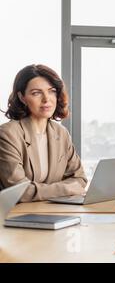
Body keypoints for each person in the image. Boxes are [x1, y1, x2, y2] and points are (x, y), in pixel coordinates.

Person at [0, 65, 87, 202]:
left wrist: (44, 191)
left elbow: (79, 178)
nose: (47, 99)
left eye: (51, 91)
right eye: (36, 93)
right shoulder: (8, 134)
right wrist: (65, 189)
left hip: (52, 211)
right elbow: (18, 190)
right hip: (16, 216)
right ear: (22, 97)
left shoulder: (61, 133)